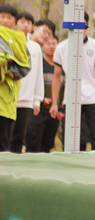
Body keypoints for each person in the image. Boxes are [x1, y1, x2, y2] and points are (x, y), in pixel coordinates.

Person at [49, 11, 95, 151]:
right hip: (71, 99)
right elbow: (57, 76)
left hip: (93, 99)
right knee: (72, 142)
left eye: (82, 24)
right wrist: (55, 103)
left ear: (86, 26)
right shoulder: (61, 48)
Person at [10, 11, 44, 153]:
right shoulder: (9, 42)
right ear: (16, 24)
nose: (25, 25)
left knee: (19, 136)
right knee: (7, 134)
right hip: (9, 98)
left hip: (27, 99)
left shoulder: (35, 48)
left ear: (32, 26)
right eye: (22, 22)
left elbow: (38, 74)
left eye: (28, 23)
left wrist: (37, 99)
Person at [0, 4, 31, 151]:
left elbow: (25, 67)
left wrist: (6, 69)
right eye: (2, 16)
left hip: (7, 99)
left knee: (4, 142)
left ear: (14, 21)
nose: (5, 20)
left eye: (9, 17)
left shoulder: (19, 40)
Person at [26, 25, 59, 153]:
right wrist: (39, 99)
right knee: (33, 142)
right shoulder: (38, 60)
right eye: (48, 43)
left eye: (54, 43)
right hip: (37, 108)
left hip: (53, 111)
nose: (51, 46)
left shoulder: (60, 66)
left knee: (47, 144)